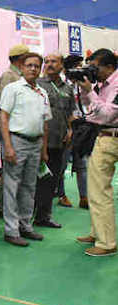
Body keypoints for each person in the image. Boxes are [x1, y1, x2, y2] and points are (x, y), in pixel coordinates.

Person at [0, 53, 51, 247]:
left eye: (36, 66)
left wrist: (44, 150)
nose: (32, 69)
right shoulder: (13, 89)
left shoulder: (42, 93)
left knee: (29, 186)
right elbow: (3, 118)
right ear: (21, 67)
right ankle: (11, 230)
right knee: (12, 187)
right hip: (17, 141)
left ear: (40, 69)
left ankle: (25, 225)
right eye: (29, 65)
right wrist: (8, 146)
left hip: (36, 143)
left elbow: (45, 123)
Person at [75, 49, 118, 256]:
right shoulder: (100, 84)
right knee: (96, 188)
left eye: (95, 67)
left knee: (101, 191)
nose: (93, 71)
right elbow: (91, 109)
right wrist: (86, 90)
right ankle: (99, 233)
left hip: (112, 134)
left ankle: (107, 243)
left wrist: (90, 92)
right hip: (103, 138)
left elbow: (109, 114)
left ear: (110, 67)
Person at [34, 54, 75, 229]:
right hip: (38, 142)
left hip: (59, 143)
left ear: (61, 66)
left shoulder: (68, 88)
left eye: (53, 62)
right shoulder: (37, 84)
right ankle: (26, 217)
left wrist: (71, 130)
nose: (49, 65)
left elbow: (71, 113)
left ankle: (44, 216)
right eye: (47, 62)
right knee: (33, 181)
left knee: (52, 181)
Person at [0, 44, 29, 219]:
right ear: (20, 59)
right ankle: (2, 206)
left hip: (21, 129)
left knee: (17, 172)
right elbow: (4, 107)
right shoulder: (8, 76)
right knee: (10, 171)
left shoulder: (20, 76)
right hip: (12, 130)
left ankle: (10, 206)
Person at [64, 55, 89, 209]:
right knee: (61, 165)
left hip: (82, 126)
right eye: (78, 66)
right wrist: (68, 128)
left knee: (82, 163)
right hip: (66, 127)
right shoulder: (61, 84)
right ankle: (61, 194)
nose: (81, 69)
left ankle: (84, 197)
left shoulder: (83, 83)